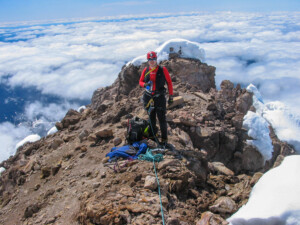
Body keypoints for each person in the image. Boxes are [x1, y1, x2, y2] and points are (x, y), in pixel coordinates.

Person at [139, 51, 173, 146]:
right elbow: (140, 81)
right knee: (151, 119)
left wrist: (171, 96)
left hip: (159, 97)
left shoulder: (163, 70)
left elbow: (169, 83)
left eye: (153, 59)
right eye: (150, 59)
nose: (152, 61)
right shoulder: (145, 70)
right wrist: (144, 84)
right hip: (149, 97)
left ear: (156, 59)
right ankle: (153, 138)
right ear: (148, 60)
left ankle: (164, 139)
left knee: (162, 119)